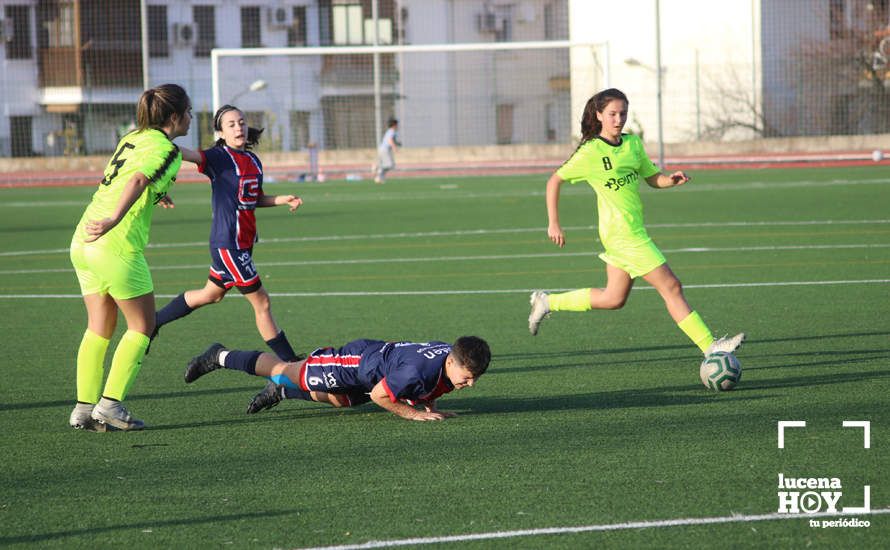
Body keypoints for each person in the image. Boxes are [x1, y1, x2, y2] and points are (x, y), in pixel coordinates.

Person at [528, 88, 744, 357]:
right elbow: (554, 180)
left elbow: (653, 178)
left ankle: (547, 302)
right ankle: (710, 347)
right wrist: (554, 223)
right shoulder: (591, 151)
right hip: (623, 236)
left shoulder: (632, 144)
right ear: (599, 115)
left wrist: (670, 180)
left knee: (613, 298)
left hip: (631, 231)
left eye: (623, 113)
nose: (618, 120)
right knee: (672, 286)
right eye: (612, 114)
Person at [68, 83, 192, 431]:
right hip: (114, 243)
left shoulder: (131, 137)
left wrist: (157, 195)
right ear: (174, 117)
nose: (192, 118)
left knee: (99, 327)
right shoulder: (169, 150)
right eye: (189, 112)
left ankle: (83, 408)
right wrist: (114, 220)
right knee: (143, 326)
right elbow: (137, 179)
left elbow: (130, 176)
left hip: (83, 239)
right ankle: (110, 405)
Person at [153, 104, 303, 362]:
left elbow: (253, 199)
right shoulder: (218, 157)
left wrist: (282, 199)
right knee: (262, 303)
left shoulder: (254, 160)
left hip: (243, 244)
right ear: (220, 133)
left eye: (242, 122)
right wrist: (155, 138)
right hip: (228, 245)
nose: (239, 127)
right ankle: (293, 364)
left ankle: (154, 322)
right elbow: (182, 152)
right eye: (231, 124)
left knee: (211, 294)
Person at [184, 336, 491, 421]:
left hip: (373, 368)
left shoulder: (448, 359)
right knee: (286, 370)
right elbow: (381, 396)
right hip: (355, 362)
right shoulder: (418, 370)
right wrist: (414, 414)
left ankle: (281, 394)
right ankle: (219, 356)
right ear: (452, 360)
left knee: (344, 400)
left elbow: (429, 385)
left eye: (475, 378)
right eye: (467, 376)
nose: (471, 383)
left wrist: (430, 406)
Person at [373, 117, 401, 184]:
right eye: (397, 124)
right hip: (385, 150)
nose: (397, 126)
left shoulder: (389, 131)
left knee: (385, 165)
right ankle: (376, 167)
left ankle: (379, 178)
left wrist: (397, 143)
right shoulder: (392, 131)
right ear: (394, 125)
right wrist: (394, 147)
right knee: (390, 165)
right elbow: (390, 140)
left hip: (381, 149)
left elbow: (390, 139)